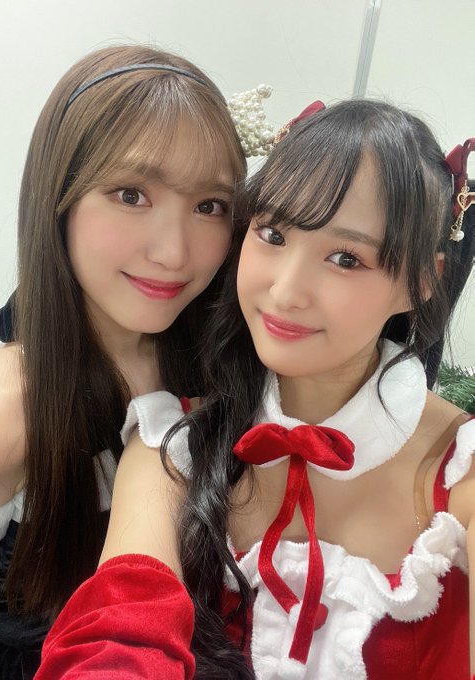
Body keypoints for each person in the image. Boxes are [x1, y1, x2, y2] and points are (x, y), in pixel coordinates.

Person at [35, 101, 475, 679]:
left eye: (346, 258)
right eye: (272, 234)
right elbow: (121, 631)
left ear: (421, 282)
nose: (286, 291)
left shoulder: (460, 473)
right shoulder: (172, 446)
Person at [0, 43, 246, 679]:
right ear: (57, 201)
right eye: (130, 194)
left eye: (209, 206)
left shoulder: (213, 354)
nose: (174, 253)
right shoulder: (8, 411)